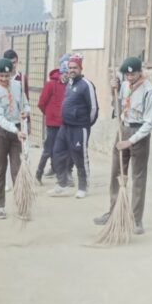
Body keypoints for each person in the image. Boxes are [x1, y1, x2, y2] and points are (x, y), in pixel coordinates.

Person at [93, 56, 152, 234]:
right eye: (127, 75)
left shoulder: (149, 91)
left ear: (140, 72)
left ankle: (137, 219)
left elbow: (149, 123)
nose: (130, 78)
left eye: (133, 74)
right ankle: (113, 211)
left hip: (138, 135)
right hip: (122, 130)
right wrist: (112, 88)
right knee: (117, 173)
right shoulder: (124, 86)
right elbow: (119, 108)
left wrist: (131, 140)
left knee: (138, 177)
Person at [48, 54, 98, 199]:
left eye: (75, 68)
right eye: (70, 68)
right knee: (57, 153)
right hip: (65, 127)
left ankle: (83, 186)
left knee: (80, 156)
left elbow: (93, 109)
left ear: (80, 68)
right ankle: (62, 184)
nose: (72, 70)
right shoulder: (69, 83)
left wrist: (85, 124)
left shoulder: (86, 85)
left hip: (79, 128)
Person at [0, 57, 30, 219]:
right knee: (0, 169)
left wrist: (26, 113)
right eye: (2, 76)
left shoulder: (18, 86)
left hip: (17, 133)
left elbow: (26, 105)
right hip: (1, 133)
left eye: (8, 76)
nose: (5, 79)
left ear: (12, 73)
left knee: (17, 170)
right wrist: (14, 130)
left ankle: (21, 206)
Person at [36, 53, 70, 185]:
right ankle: (38, 174)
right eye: (65, 72)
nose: (67, 75)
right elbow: (41, 103)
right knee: (48, 150)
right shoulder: (50, 84)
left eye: (69, 72)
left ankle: (60, 177)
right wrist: (50, 114)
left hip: (65, 123)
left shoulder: (70, 86)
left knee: (61, 151)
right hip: (52, 124)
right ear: (61, 72)